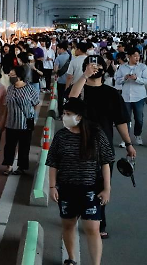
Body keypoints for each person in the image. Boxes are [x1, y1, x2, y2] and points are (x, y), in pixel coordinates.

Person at [68, 56, 136, 238]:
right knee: (77, 184)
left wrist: (128, 143)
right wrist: (83, 77)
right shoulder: (79, 90)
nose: (94, 69)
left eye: (98, 66)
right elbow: (71, 100)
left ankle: (99, 222)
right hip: (78, 145)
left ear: (104, 69)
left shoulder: (112, 93)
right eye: (90, 66)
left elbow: (120, 121)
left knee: (102, 186)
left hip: (103, 148)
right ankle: (75, 215)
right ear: (85, 68)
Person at [46, 98, 114, 265]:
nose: (65, 117)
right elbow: (52, 162)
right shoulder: (61, 136)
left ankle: (96, 263)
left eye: (68, 114)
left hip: (91, 188)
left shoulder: (96, 134)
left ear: (80, 116)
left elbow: (106, 162)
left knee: (93, 228)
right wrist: (52, 186)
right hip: (67, 188)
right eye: (64, 114)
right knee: (68, 225)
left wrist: (107, 188)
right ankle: (71, 258)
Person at [2, 66, 39, 175]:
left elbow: (36, 103)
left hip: (25, 124)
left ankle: (21, 167)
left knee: (24, 146)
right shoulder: (10, 89)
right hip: (11, 123)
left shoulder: (30, 88)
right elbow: (6, 106)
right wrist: (3, 121)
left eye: (12, 75)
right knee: (9, 146)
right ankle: (8, 166)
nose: (10, 77)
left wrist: (33, 117)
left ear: (19, 76)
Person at [114, 46, 147, 146]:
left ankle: (138, 135)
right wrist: (124, 78)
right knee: (126, 118)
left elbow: (146, 81)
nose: (137, 58)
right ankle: (126, 139)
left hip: (139, 96)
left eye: (138, 56)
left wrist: (136, 78)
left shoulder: (143, 67)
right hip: (126, 96)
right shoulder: (122, 67)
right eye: (134, 56)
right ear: (129, 56)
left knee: (139, 118)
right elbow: (117, 80)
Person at [54, 42, 71, 118]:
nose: (57, 51)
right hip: (70, 82)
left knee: (60, 98)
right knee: (68, 98)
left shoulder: (58, 58)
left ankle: (61, 114)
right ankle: (68, 114)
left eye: (58, 49)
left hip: (61, 81)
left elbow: (55, 70)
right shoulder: (71, 57)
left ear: (62, 49)